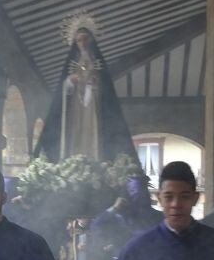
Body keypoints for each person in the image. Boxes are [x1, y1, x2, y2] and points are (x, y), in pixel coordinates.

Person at [33, 14, 139, 165]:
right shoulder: (72, 61)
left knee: (92, 130)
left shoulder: (97, 61)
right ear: (75, 42)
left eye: (85, 39)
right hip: (74, 108)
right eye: (78, 40)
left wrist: (94, 83)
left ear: (91, 40)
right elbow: (64, 87)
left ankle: (94, 159)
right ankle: (71, 159)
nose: (82, 43)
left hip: (93, 107)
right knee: (75, 131)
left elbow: (107, 91)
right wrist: (70, 80)